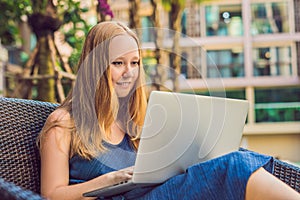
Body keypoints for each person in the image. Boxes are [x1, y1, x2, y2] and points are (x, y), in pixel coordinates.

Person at [38, 21, 300, 200]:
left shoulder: (134, 120)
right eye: (118, 62)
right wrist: (109, 180)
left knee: (234, 157)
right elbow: (51, 194)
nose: (129, 72)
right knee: (235, 166)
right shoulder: (64, 123)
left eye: (135, 62)